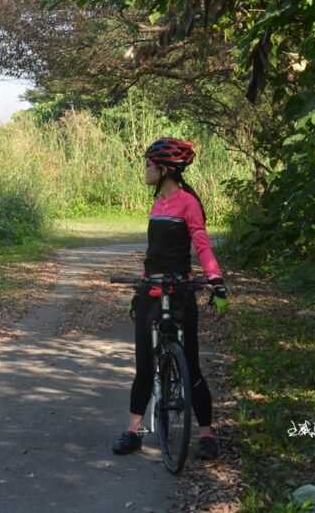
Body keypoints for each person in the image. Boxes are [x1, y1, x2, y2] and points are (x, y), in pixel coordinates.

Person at [112, 137, 228, 460]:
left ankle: (206, 434)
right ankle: (133, 432)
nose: (146, 169)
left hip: (180, 291)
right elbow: (155, 253)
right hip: (151, 291)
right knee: (144, 368)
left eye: (150, 164)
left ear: (164, 169)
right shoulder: (157, 203)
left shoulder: (188, 202)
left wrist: (215, 281)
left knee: (191, 364)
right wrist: (141, 286)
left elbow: (201, 245)